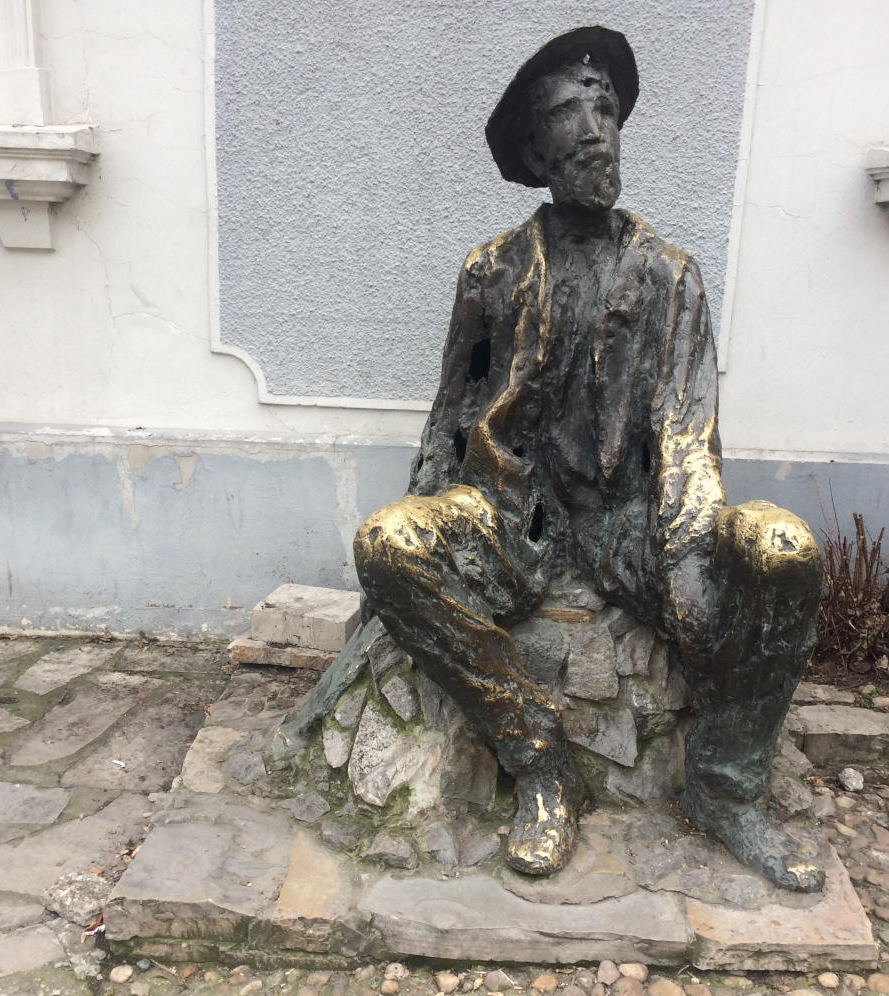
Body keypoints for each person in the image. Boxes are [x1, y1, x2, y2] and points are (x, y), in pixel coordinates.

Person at [352, 26, 825, 891]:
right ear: (535, 149)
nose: (595, 126)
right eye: (570, 112)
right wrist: (392, 576)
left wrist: (689, 565)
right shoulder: (488, 271)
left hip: (633, 524)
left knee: (782, 548)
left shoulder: (671, 276)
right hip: (508, 517)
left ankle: (725, 791)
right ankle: (541, 767)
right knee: (387, 542)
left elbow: (687, 435)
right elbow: (450, 419)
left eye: (605, 108)